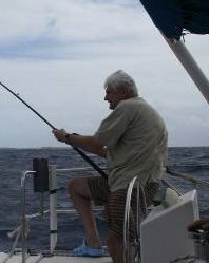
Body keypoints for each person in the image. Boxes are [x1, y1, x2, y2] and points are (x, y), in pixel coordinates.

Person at [52, 70, 168, 263]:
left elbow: (97, 143)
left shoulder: (128, 107)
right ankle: (93, 243)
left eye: (109, 92)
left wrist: (67, 137)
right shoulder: (145, 110)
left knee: (119, 236)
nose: (105, 97)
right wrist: (74, 140)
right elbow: (108, 151)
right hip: (139, 183)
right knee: (76, 187)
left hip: (130, 186)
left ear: (123, 91)